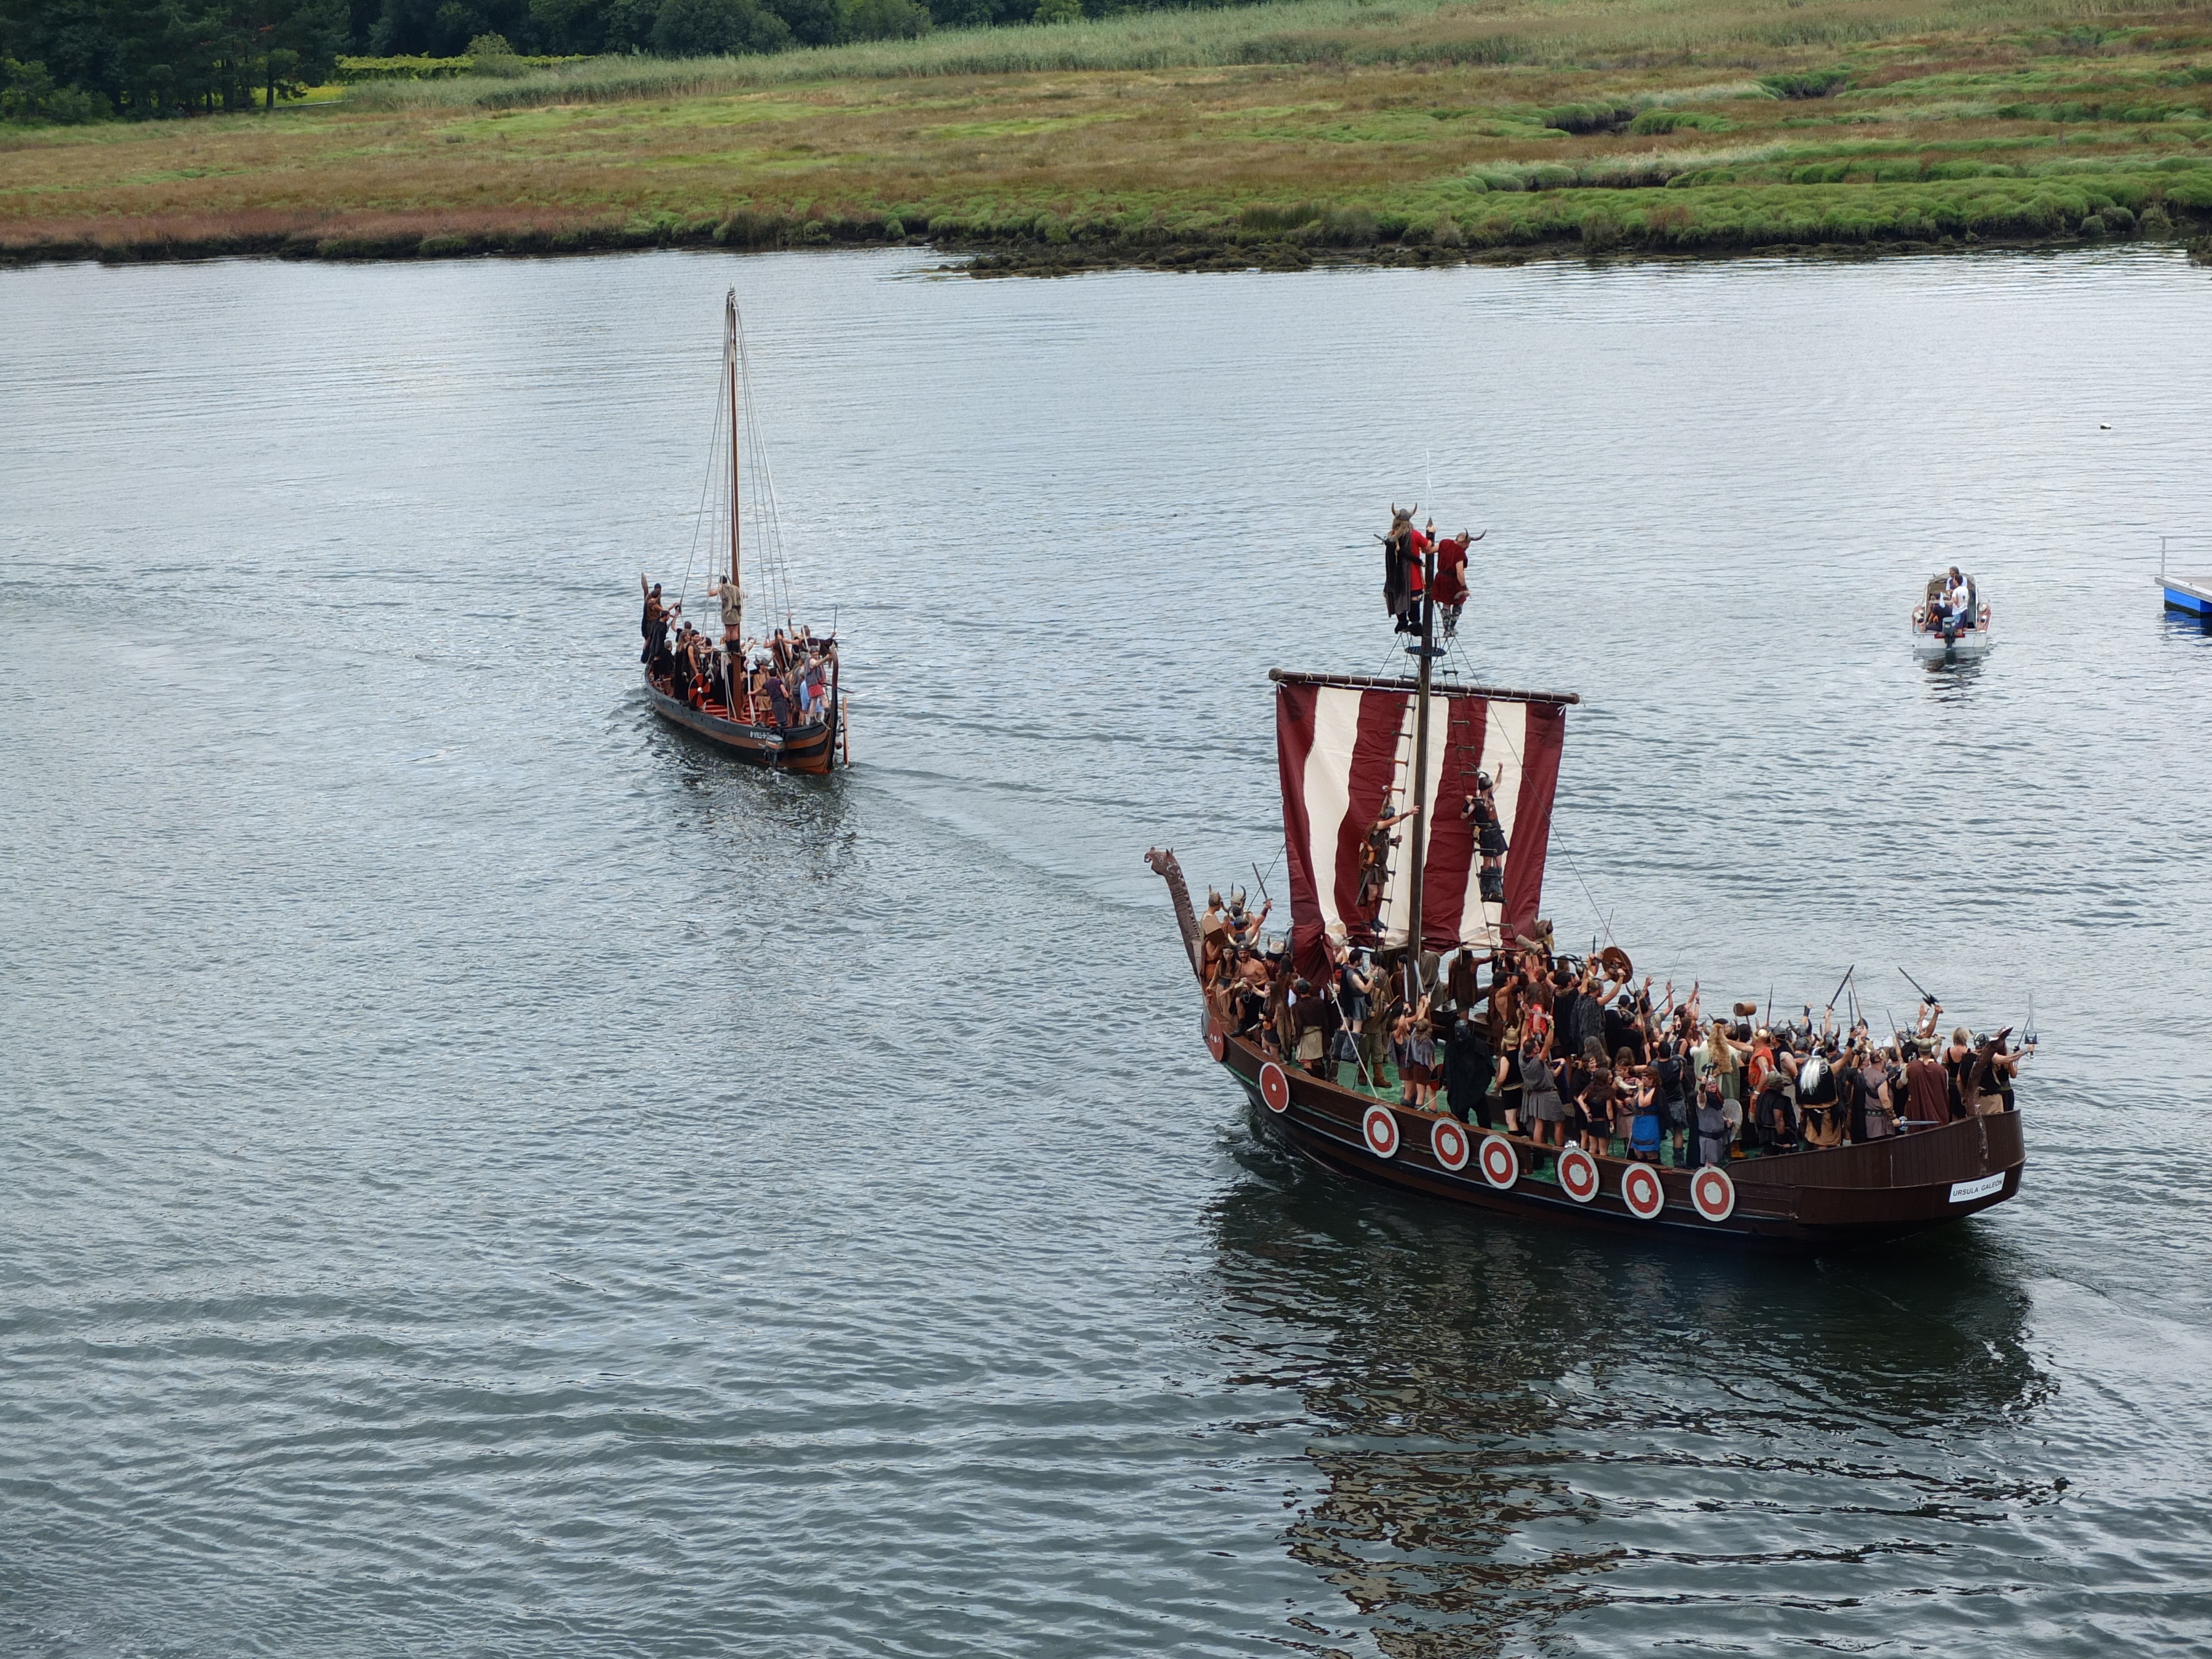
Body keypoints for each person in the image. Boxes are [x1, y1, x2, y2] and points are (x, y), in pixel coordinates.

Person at [1522, 1035, 1564, 1148]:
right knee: (1559, 1122)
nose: (1539, 1047)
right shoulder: (1538, 1062)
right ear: (1535, 1050)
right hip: (1548, 1094)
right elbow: (1548, 1044)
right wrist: (1551, 1028)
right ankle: (1559, 1150)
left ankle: (1538, 1150)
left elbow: (1523, 1036)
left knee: (1539, 1124)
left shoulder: (1522, 1061)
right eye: (1537, 1046)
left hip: (1535, 1096)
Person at [1903, 1040, 1952, 1129]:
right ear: (1930, 1051)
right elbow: (1946, 1089)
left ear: (1919, 1051)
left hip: (1917, 1112)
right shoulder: (1942, 1070)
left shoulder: (1910, 1067)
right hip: (1938, 1113)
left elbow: (1901, 1084)